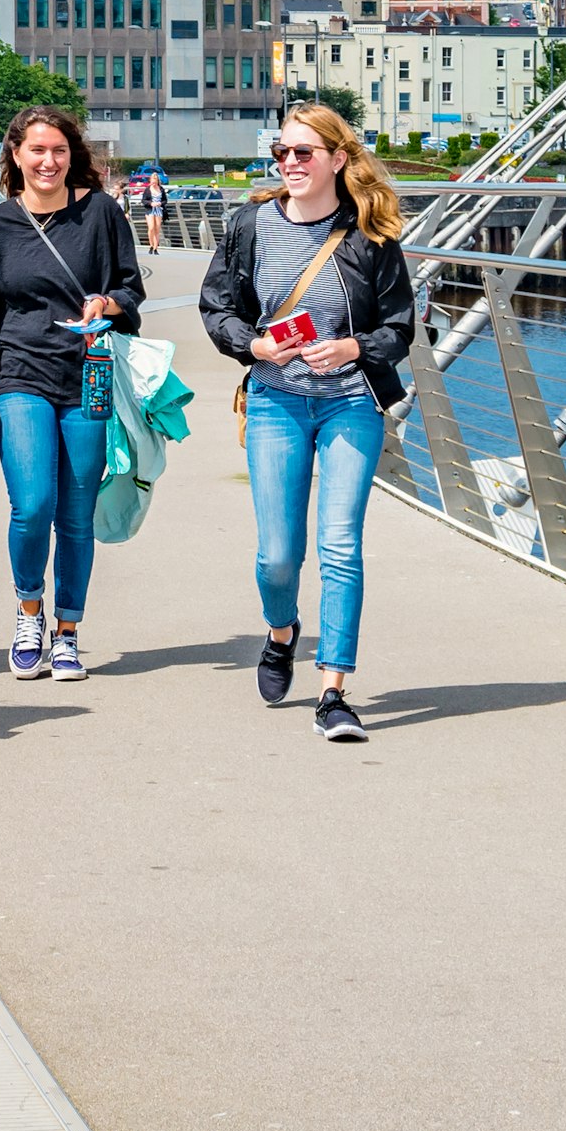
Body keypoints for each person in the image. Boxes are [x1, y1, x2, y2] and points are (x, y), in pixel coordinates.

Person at [199, 101, 414, 741]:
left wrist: (355, 347)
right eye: (282, 153)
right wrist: (253, 344)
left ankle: (334, 690)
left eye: (303, 153)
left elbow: (402, 325)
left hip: (352, 400)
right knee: (278, 555)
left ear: (337, 159)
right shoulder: (250, 225)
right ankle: (281, 631)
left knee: (341, 545)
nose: (289, 163)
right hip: (275, 400)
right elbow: (217, 307)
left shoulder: (370, 237)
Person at [0, 105, 144, 683]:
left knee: (77, 516)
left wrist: (107, 305)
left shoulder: (101, 215)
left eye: (59, 150)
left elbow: (131, 291)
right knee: (33, 503)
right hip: (21, 377)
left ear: (72, 155)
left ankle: (68, 632)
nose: (48, 161)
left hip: (87, 376)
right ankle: (28, 610)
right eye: (36, 150)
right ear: (15, 154)